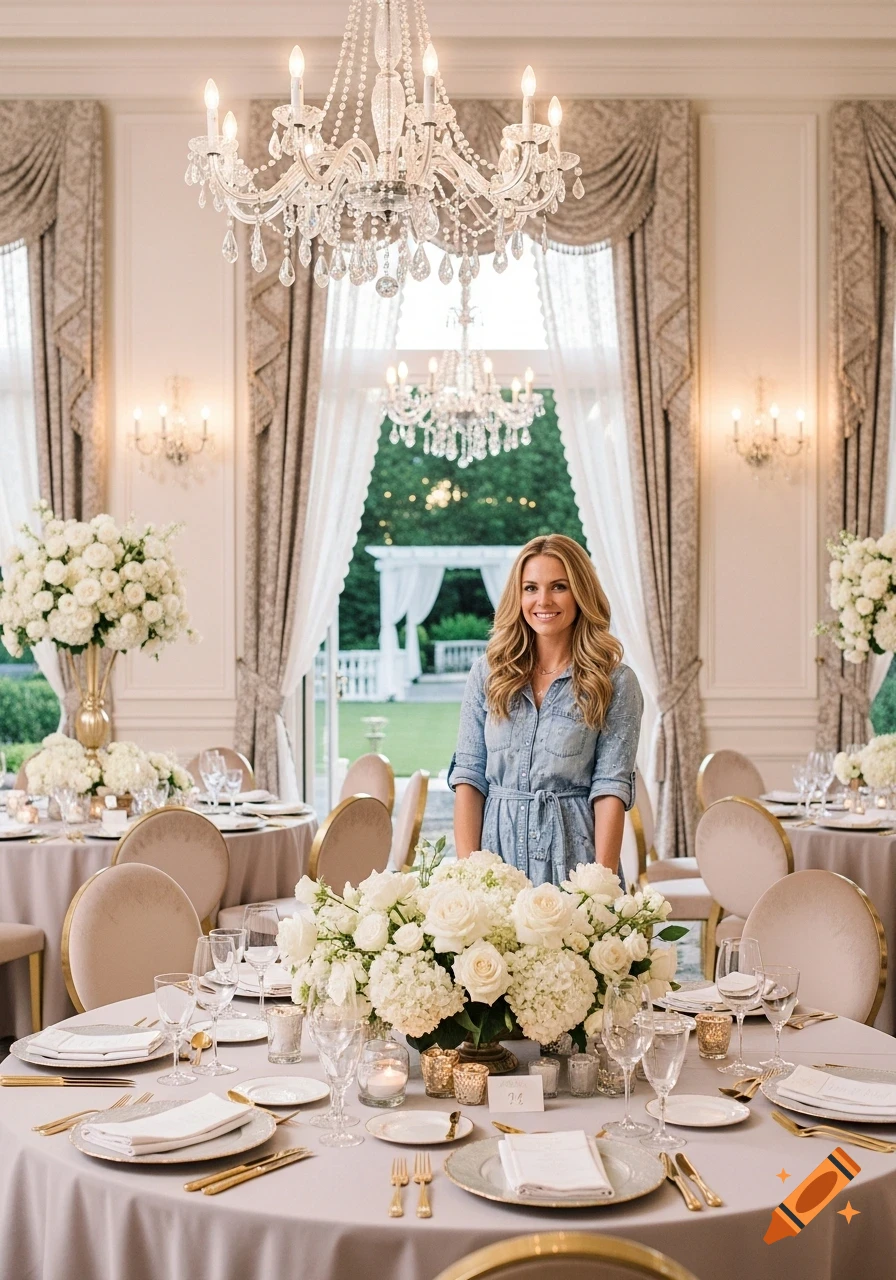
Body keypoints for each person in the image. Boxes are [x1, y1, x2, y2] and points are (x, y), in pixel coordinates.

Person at [449, 533, 642, 884]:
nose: (543, 600)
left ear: (580, 592)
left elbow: (611, 788)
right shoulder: (488, 673)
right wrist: (470, 876)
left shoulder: (615, 681)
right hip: (496, 859)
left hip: (575, 862)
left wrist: (598, 886)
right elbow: (469, 776)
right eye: (531, 588)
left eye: (558, 587)